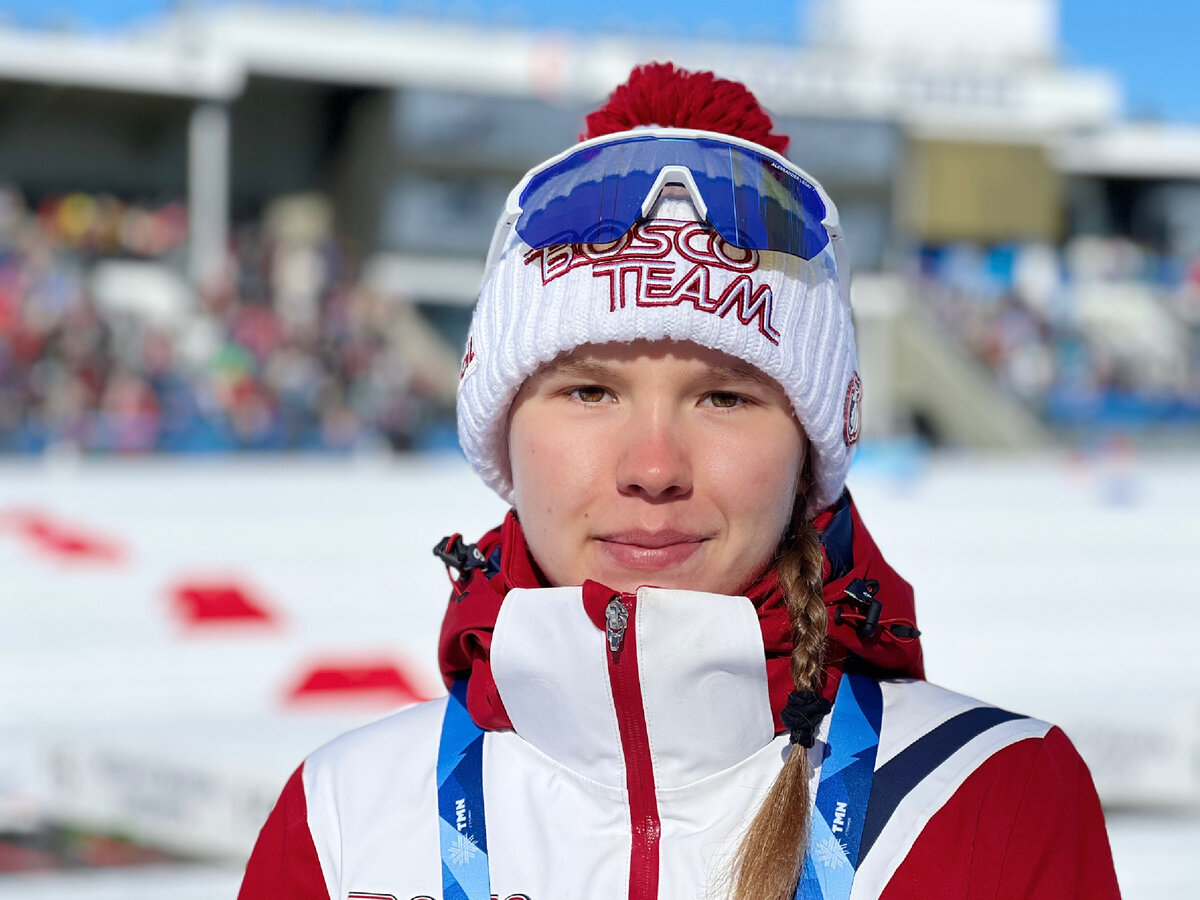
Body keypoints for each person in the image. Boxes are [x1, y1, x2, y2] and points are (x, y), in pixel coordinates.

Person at [239, 63, 1120, 900]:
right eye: (590, 391)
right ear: (505, 429)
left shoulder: (991, 796)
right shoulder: (343, 821)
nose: (653, 468)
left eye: (725, 398)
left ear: (809, 452)